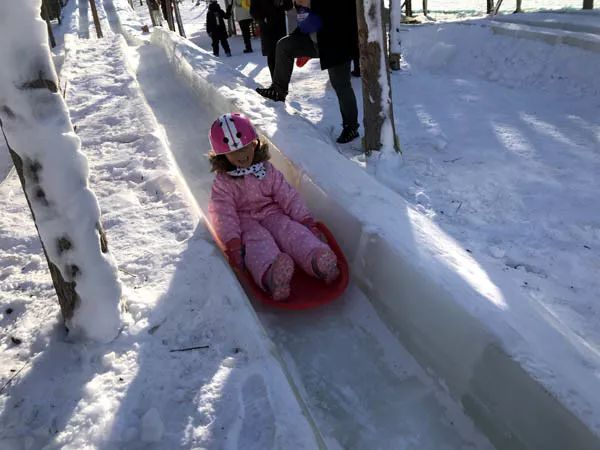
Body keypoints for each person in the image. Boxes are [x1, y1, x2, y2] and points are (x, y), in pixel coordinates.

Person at [207, 113, 340, 301]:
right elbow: (223, 212)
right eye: (234, 152)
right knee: (257, 242)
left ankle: (317, 259)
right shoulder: (224, 182)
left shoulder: (266, 170)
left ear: (254, 143)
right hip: (244, 222)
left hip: (272, 213)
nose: (242, 155)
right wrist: (233, 241)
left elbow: (287, 195)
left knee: (291, 230)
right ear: (222, 155)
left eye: (246, 147)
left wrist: (305, 220)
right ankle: (272, 275)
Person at [255, 0, 360, 144]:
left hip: (337, 43)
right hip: (314, 41)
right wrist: (298, 38)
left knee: (341, 85)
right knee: (285, 45)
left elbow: (345, 14)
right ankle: (278, 91)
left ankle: (351, 127)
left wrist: (312, 3)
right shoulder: (300, 2)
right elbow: (305, 20)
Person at [250, 0, 293, 82]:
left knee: (282, 54)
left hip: (280, 26)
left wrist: (281, 3)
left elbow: (289, 6)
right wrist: (261, 19)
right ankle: (275, 82)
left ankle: (282, 81)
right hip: (267, 28)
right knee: (272, 55)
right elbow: (253, 10)